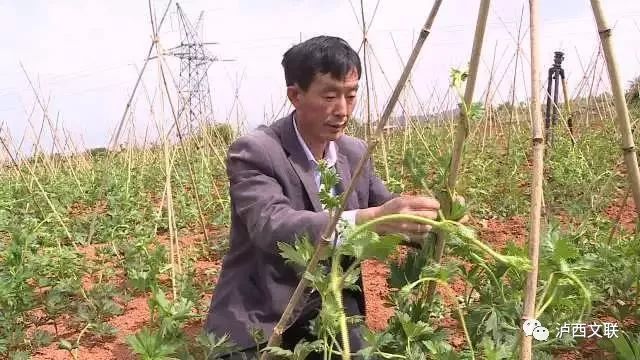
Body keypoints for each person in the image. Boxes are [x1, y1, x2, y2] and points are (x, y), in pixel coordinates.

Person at [204, 35, 441, 359]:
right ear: (295, 95)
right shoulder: (256, 150)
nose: (342, 110)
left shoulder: (354, 152)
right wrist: (369, 220)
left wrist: (432, 220)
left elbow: (387, 207)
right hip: (263, 313)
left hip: (333, 310)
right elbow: (272, 226)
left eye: (351, 95)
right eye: (330, 95)